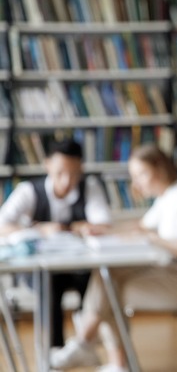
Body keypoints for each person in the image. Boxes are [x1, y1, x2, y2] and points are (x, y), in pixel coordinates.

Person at [50, 144, 177, 372]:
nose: (136, 184)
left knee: (110, 287)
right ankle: (95, 350)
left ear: (159, 170)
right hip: (174, 272)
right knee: (108, 276)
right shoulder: (167, 197)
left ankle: (92, 347)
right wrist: (102, 230)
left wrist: (154, 238)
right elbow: (141, 227)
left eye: (141, 175)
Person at [0, 138, 112, 350]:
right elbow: (2, 224)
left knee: (99, 282)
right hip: (43, 270)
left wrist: (73, 228)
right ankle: (55, 351)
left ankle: (84, 344)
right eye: (60, 172)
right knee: (48, 284)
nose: (67, 180)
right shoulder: (29, 190)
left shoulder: (90, 187)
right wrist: (39, 229)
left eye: (74, 173)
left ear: (81, 168)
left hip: (79, 267)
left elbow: (104, 225)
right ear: (47, 165)